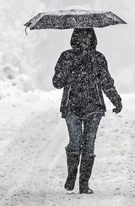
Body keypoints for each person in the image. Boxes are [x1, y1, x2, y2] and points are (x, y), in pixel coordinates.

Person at [52, 28, 122, 194]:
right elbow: (57, 82)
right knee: (76, 142)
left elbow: (106, 81)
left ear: (93, 38)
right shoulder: (66, 57)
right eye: (81, 36)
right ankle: (72, 174)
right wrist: (70, 67)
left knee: (89, 145)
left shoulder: (98, 58)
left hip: (94, 107)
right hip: (72, 107)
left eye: (88, 36)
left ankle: (84, 183)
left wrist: (116, 99)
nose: (84, 39)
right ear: (75, 38)